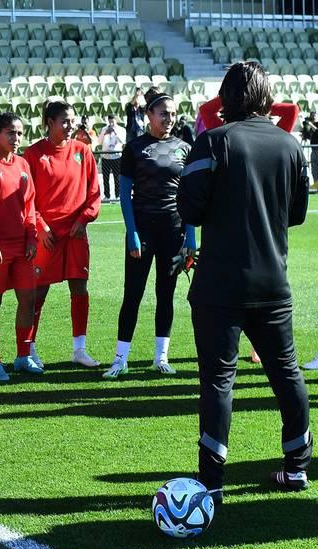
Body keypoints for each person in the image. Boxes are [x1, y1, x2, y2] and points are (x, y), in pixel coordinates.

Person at [179, 61, 311, 499]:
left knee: (218, 381)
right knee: (287, 375)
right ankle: (297, 468)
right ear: (266, 97)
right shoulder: (290, 145)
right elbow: (295, 215)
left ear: (225, 97)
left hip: (220, 284)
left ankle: (212, 484)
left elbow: (190, 211)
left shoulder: (212, 141)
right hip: (273, 283)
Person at [103, 88, 194, 379]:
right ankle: (120, 359)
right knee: (133, 294)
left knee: (165, 294)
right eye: (163, 113)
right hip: (142, 230)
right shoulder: (135, 147)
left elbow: (190, 194)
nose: (169, 118)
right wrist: (131, 231)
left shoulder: (184, 147)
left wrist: (191, 236)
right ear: (149, 115)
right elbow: (125, 195)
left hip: (173, 229)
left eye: (173, 113)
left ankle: (161, 357)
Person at [24, 100, 101, 369]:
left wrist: (84, 219)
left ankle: (79, 349)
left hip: (76, 234)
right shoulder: (33, 154)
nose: (70, 126)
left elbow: (94, 192)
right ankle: (28, 349)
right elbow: (26, 198)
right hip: (47, 236)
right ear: (50, 123)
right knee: (37, 292)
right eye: (64, 121)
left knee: (80, 287)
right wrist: (41, 226)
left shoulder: (83, 151)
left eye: (72, 121)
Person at [0, 113, 43, 382]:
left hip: (21, 246)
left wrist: (32, 237)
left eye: (20, 133)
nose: (16, 138)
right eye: (11, 132)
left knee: (28, 298)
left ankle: (23, 356)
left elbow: (30, 205)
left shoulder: (23, 164)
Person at [97, 115, 126, 199]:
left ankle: (117, 195)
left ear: (116, 121)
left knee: (117, 178)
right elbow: (99, 142)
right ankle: (107, 195)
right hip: (105, 157)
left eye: (112, 122)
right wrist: (105, 133)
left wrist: (115, 133)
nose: (111, 123)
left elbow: (123, 141)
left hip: (116, 157)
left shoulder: (121, 130)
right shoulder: (104, 129)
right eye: (109, 122)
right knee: (105, 178)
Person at [301, 111, 317, 190]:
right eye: (312, 116)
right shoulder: (311, 125)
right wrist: (305, 130)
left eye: (314, 116)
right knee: (314, 168)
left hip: (316, 149)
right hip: (313, 149)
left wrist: (311, 125)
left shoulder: (315, 125)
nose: (313, 117)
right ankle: (316, 184)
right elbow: (308, 136)